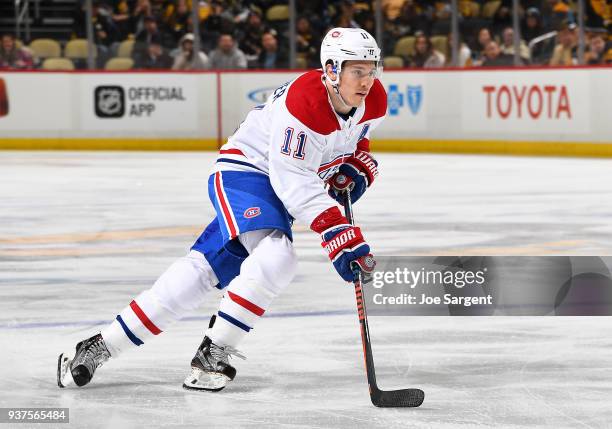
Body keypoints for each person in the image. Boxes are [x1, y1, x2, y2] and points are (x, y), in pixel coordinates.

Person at [57, 27, 386, 393]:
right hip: (246, 174)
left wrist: (355, 164)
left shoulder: (374, 99)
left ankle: (100, 346)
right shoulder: (304, 104)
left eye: (372, 69)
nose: (368, 80)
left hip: (274, 184)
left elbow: (356, 136)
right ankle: (214, 353)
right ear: (331, 70)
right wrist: (336, 232)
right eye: (358, 70)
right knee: (278, 256)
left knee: (201, 271)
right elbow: (293, 180)